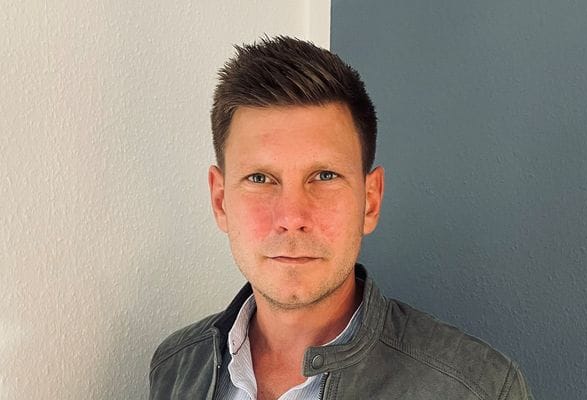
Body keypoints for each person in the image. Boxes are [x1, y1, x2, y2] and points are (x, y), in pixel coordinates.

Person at [149, 36, 533, 400]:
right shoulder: (177, 367)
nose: (292, 217)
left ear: (370, 201)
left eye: (324, 176)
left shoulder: (478, 389)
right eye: (260, 178)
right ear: (220, 201)